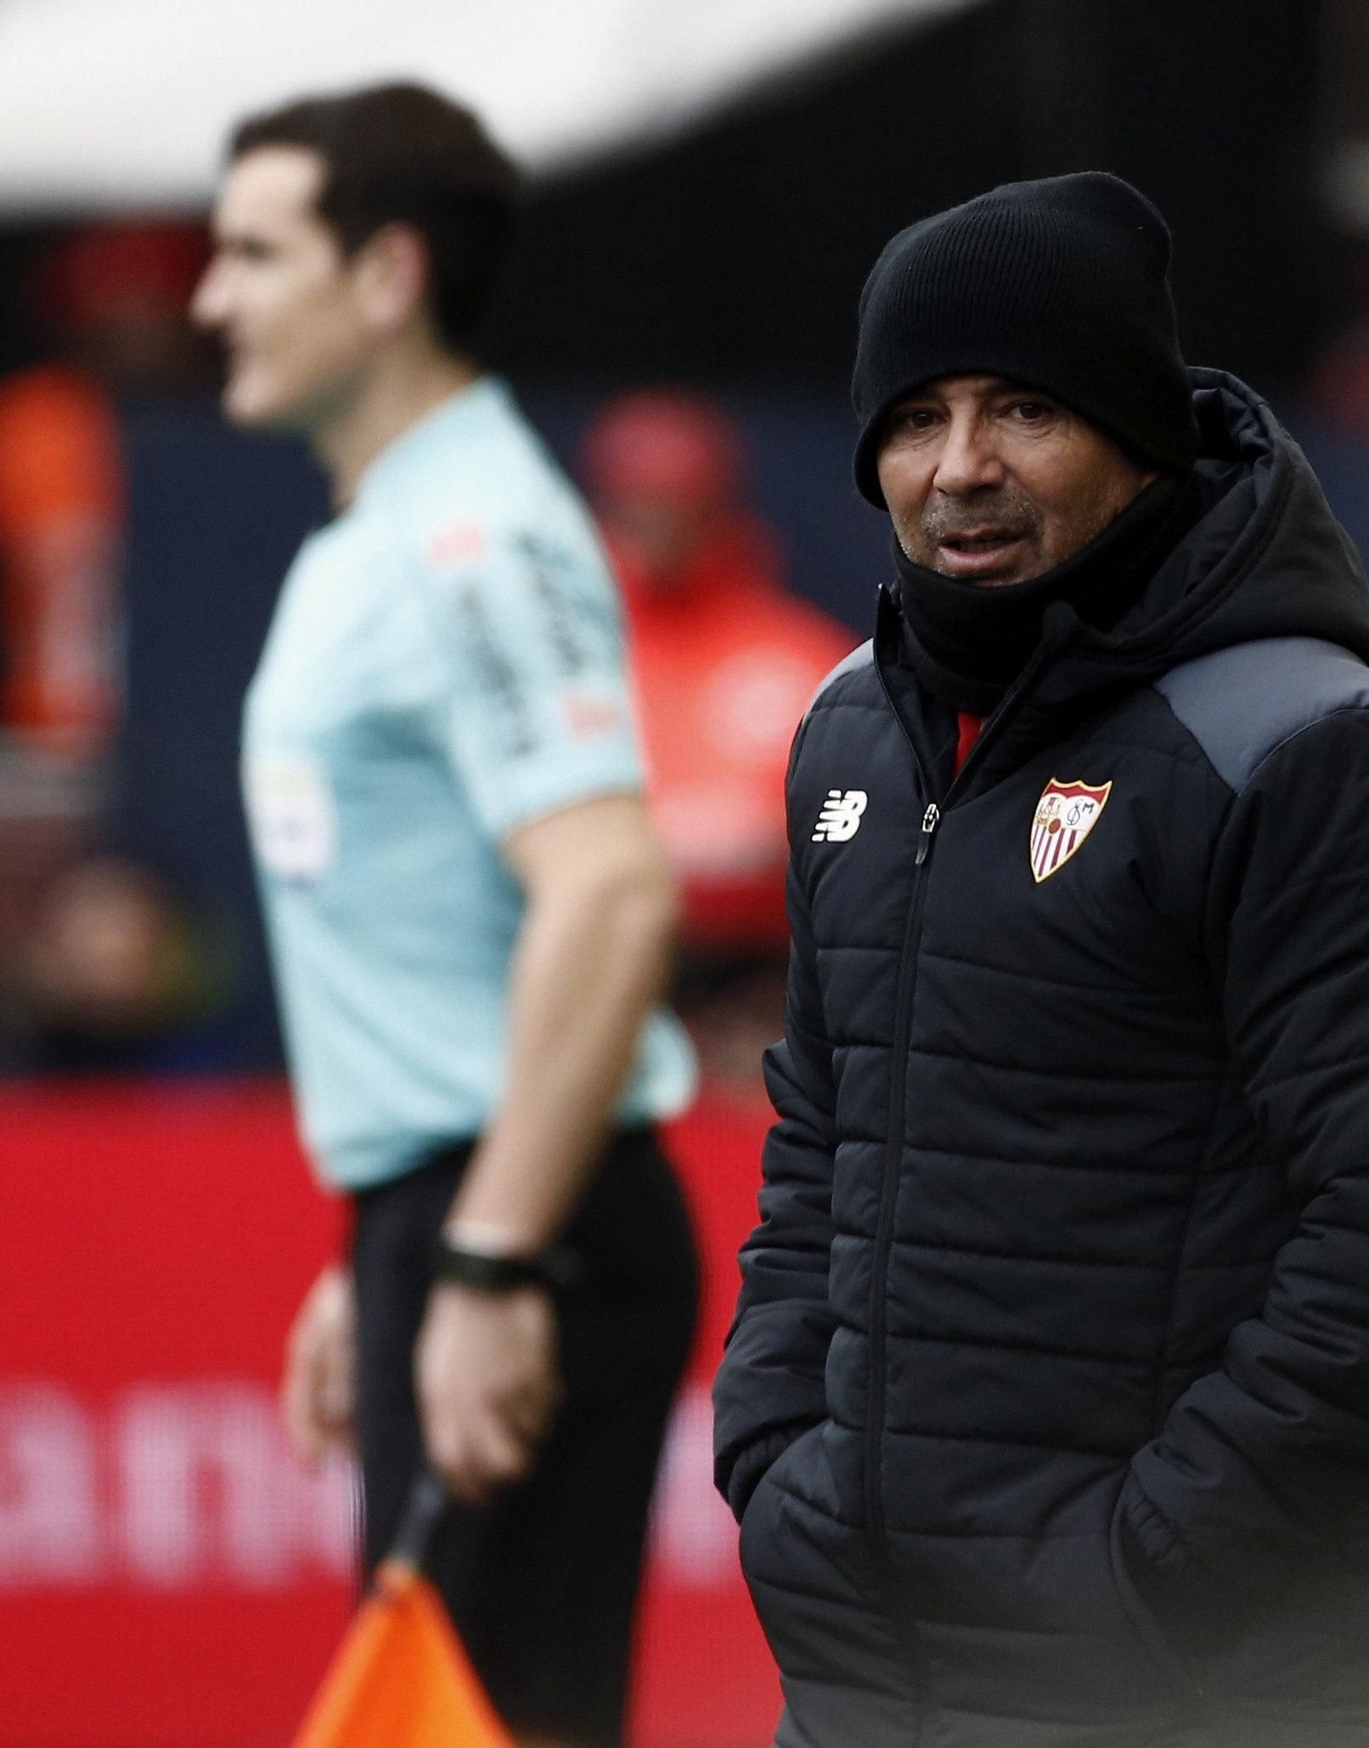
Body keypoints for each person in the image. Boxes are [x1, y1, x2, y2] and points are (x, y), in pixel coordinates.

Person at [712, 172, 1369, 1748]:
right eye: (916, 418)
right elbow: (821, 1135)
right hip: (870, 1669)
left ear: (1140, 436)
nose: (959, 469)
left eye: (1026, 408)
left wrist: (1151, 1568)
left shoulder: (1309, 748)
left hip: (1192, 1675)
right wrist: (777, 1463)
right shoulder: (850, 735)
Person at [192, 83, 699, 1748]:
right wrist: (391, 1242)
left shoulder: (474, 533)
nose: (211, 297)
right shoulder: (390, 529)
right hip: (462, 1211)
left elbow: (611, 892)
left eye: (256, 251)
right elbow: (461, 942)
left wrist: (484, 1250)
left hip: (529, 1240)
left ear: (388, 275)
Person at [580, 390, 853, 1091]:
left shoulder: (800, 661)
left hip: (757, 1018)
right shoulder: (566, 666)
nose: (656, 524)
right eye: (636, 500)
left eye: (678, 500)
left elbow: (848, 857)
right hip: (589, 1009)